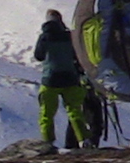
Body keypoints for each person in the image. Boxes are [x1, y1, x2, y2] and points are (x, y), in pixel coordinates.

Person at [33, 9, 90, 151]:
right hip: (70, 78)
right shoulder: (69, 36)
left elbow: (38, 56)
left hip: (50, 79)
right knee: (75, 111)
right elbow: (78, 55)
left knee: (47, 114)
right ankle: (83, 140)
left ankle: (48, 143)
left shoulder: (44, 37)